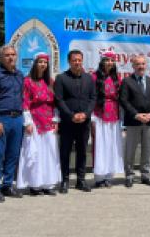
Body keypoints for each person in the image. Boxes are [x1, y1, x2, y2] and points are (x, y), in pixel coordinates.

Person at [17, 52, 61, 195]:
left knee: (49, 153)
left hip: (48, 122)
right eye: (40, 62)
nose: (43, 64)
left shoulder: (51, 82)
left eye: (45, 62)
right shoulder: (27, 81)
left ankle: (47, 184)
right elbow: (25, 103)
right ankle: (35, 185)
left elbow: (55, 104)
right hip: (35, 122)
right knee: (35, 153)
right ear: (35, 64)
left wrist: (55, 120)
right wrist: (28, 122)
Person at [54, 49, 96, 193]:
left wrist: (86, 114)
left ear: (82, 60)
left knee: (82, 151)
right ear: (69, 62)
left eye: (79, 60)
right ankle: (64, 181)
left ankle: (81, 180)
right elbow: (59, 100)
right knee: (65, 151)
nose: (77, 62)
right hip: (67, 122)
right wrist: (71, 115)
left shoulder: (89, 78)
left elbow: (93, 99)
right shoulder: (61, 78)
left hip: (84, 122)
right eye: (74, 60)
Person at [0, 45, 25, 202]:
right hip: (1, 119)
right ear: (1, 58)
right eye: (7, 55)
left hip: (17, 118)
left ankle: (7, 184)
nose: (11, 58)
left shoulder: (20, 74)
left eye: (13, 55)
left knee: (13, 154)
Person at [119, 54, 150, 188]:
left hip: (148, 122)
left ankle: (145, 175)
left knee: (147, 150)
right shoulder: (127, 81)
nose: (140, 66)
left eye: (142, 64)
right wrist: (136, 115)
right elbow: (123, 101)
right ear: (133, 66)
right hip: (133, 121)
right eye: (138, 64)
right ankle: (129, 175)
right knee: (130, 150)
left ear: (145, 65)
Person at [91, 51, 124, 188]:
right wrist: (92, 116)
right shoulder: (94, 77)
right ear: (102, 62)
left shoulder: (117, 78)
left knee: (111, 145)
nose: (109, 63)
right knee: (100, 145)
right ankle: (99, 177)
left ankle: (109, 175)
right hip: (99, 114)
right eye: (107, 60)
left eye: (112, 60)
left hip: (114, 116)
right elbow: (91, 97)